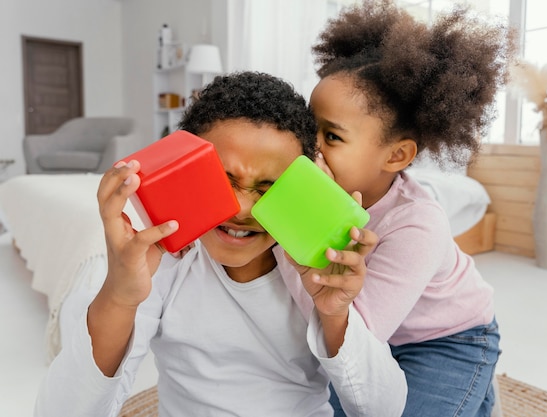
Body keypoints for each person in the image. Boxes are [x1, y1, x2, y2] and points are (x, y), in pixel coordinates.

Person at [34, 71, 408, 417]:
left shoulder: (315, 270)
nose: (241, 208)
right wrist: (119, 294)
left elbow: (383, 408)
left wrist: (335, 314)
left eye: (268, 189)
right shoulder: (163, 265)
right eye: (222, 180)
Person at [276, 2, 517, 417]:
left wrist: (298, 221)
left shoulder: (418, 223)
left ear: (397, 155)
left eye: (331, 136)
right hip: (380, 336)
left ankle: (479, 393)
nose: (310, 145)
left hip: (449, 339)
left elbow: (356, 333)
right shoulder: (307, 189)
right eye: (308, 126)